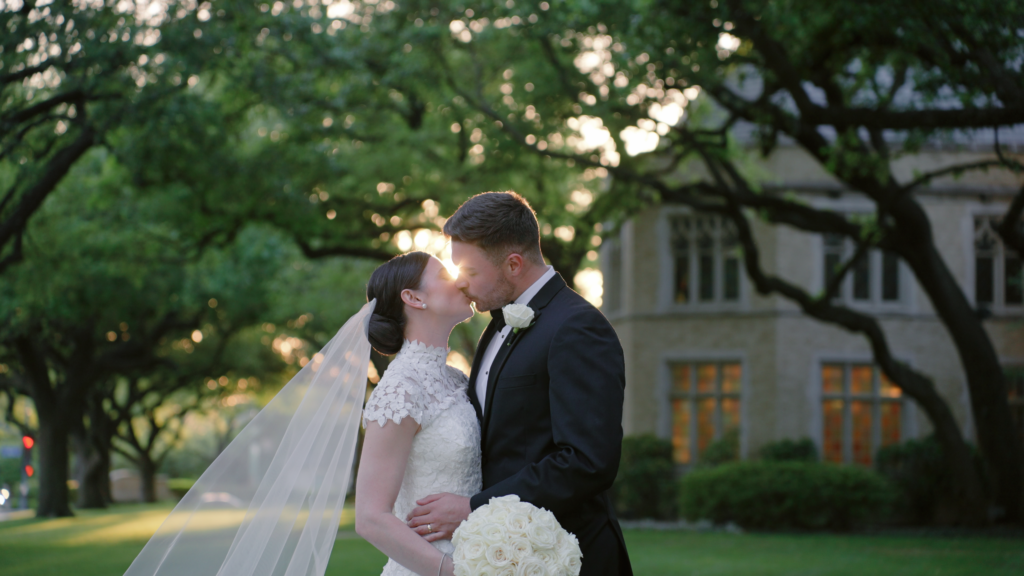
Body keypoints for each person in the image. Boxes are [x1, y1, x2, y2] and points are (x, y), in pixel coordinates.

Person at [406, 192, 633, 576]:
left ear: (513, 264)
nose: (462, 284)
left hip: (569, 554)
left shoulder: (577, 327)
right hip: (498, 556)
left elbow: (588, 461)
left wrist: (474, 507)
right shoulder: (496, 325)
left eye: (471, 272)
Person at [354, 251, 479, 576]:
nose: (461, 281)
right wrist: (452, 572)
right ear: (413, 297)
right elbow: (370, 518)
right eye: (444, 276)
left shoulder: (457, 379)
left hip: (480, 554)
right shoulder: (400, 389)